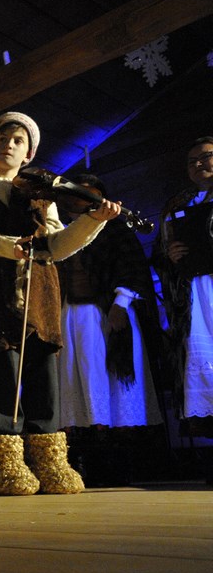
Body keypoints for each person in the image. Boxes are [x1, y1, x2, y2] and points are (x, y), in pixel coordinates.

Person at [0, 112, 120, 495]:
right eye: (2, 138)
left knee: (42, 376)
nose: (8, 144)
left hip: (40, 288)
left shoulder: (41, 192)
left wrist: (92, 221)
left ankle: (48, 461)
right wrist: (4, 246)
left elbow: (56, 244)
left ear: (29, 153)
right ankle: (2, 464)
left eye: (18, 140)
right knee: (0, 370)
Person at [55, 173, 164, 485]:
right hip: (70, 318)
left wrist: (120, 305)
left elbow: (132, 268)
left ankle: (122, 465)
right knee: (78, 385)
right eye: (78, 194)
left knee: (109, 385)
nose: (83, 200)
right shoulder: (60, 232)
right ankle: (88, 462)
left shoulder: (114, 228)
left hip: (105, 315)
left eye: (90, 195)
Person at [152, 136, 213, 476]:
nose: (199, 164)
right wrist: (170, 255)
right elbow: (158, 255)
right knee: (205, 368)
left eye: (206, 157)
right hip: (195, 297)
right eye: (192, 161)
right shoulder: (177, 205)